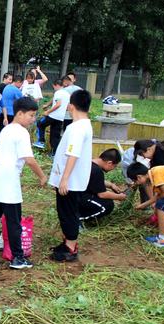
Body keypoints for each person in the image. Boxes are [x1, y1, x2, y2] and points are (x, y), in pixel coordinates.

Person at [0, 97, 47, 268]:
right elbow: (29, 159)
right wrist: (42, 176)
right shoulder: (21, 132)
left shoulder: (6, 129)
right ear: (20, 113)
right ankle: (18, 258)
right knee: (14, 221)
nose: (33, 119)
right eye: (31, 115)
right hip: (7, 180)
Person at [48, 90, 94, 262]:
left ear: (71, 106)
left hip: (70, 181)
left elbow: (72, 154)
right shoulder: (85, 125)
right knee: (67, 211)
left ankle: (71, 247)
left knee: (67, 213)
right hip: (74, 179)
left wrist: (64, 179)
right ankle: (68, 241)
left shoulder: (76, 128)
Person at [127, 163, 164, 247]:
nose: (136, 183)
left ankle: (162, 240)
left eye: (135, 181)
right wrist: (144, 205)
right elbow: (159, 195)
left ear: (139, 177)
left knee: (161, 207)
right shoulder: (154, 174)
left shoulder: (156, 172)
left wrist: (155, 207)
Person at [79, 149, 127, 226]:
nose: (112, 169)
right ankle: (78, 219)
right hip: (80, 198)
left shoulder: (89, 163)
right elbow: (102, 194)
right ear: (109, 163)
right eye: (114, 167)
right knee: (106, 206)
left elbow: (93, 181)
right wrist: (119, 196)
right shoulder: (97, 171)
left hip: (75, 195)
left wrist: (111, 185)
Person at [33, 79, 69, 153]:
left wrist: (48, 112)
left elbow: (58, 104)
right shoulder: (67, 94)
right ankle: (53, 153)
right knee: (54, 136)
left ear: (56, 85)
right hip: (60, 118)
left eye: (53, 87)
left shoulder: (58, 93)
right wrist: (47, 105)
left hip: (53, 116)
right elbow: (64, 105)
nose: (54, 89)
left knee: (40, 124)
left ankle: (41, 141)